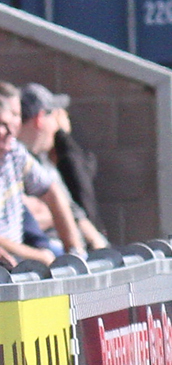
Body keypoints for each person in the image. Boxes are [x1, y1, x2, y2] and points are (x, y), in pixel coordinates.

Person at [0, 81, 84, 265]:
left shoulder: (14, 152)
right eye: (2, 124)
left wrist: (74, 252)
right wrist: (40, 256)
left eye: (15, 119)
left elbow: (51, 192)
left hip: (18, 270)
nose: (10, 132)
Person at [18, 83, 109, 250]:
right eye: (54, 116)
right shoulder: (12, 157)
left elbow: (72, 208)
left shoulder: (42, 159)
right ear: (40, 118)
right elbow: (29, 215)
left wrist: (99, 244)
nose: (58, 125)